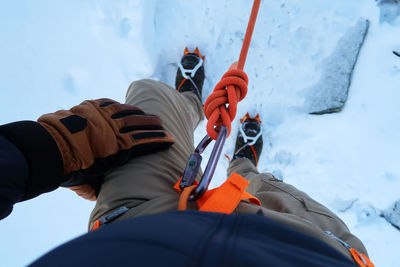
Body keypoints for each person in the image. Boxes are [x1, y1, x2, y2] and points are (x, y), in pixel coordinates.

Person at [0, 48, 373, 267]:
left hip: (140, 225)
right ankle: (244, 163)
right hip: (312, 252)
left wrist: (44, 151)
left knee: (149, 97)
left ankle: (189, 103)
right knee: (269, 189)